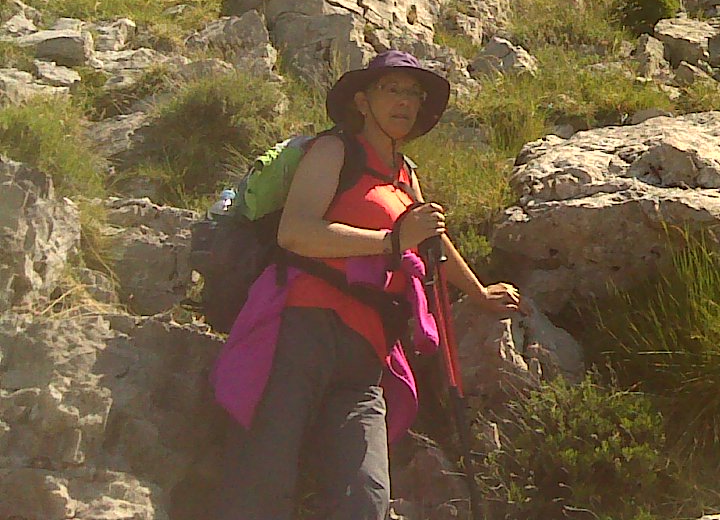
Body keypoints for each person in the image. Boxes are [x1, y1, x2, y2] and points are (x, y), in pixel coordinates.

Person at [212, 50, 524, 520]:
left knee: (367, 497)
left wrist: (477, 294)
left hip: (367, 352)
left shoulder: (406, 175)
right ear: (361, 100)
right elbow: (295, 232)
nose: (405, 102)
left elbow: (432, 244)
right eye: (392, 89)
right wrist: (391, 241)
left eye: (413, 94)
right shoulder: (334, 150)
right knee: (265, 474)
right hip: (304, 328)